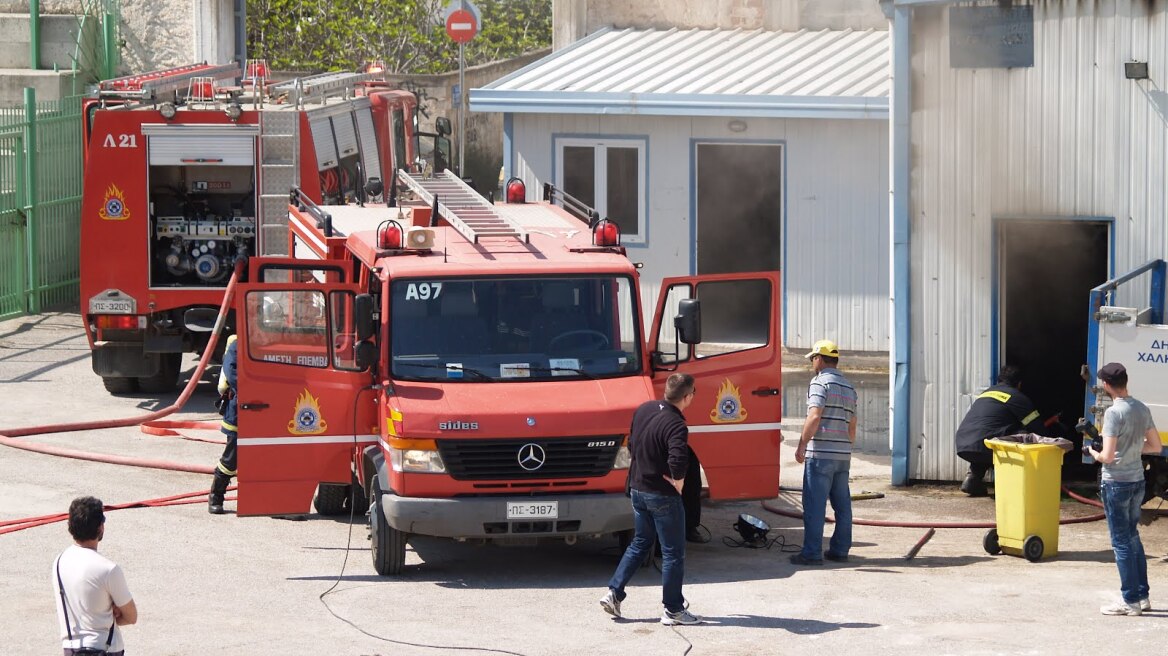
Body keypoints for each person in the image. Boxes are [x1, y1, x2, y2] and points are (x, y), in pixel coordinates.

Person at [600, 372, 702, 625]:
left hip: (637, 489)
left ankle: (614, 592)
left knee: (640, 543)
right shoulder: (677, 424)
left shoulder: (644, 409)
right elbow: (679, 458)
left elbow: (633, 444)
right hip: (661, 495)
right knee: (672, 553)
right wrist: (678, 480)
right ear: (687, 396)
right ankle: (673, 610)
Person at [1084, 362, 1161, 616]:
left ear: (1106, 385)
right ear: (1125, 381)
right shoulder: (1141, 408)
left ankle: (1130, 601)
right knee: (1132, 537)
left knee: (1121, 543)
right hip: (1137, 481)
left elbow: (1106, 456)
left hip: (1116, 483)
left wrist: (1093, 452)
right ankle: (1143, 596)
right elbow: (1156, 447)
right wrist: (1132, 451)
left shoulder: (1114, 413)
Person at [791, 339, 858, 566]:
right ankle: (840, 551)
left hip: (821, 455)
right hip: (842, 455)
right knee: (842, 506)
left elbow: (814, 416)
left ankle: (811, 554)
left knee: (814, 505)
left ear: (819, 359)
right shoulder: (849, 386)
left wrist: (802, 444)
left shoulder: (819, 382)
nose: (812, 363)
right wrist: (846, 448)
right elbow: (852, 425)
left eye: (813, 359)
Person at [53, 496, 137, 655]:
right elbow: (131, 616)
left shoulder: (58, 562)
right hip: (105, 649)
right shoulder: (109, 569)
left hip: (71, 649)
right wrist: (111, 613)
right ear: (101, 527)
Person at [954, 364, 1045, 497]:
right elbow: (1038, 429)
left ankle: (973, 479)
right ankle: (1015, 484)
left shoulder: (987, 393)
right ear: (1019, 384)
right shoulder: (1017, 397)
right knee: (1024, 436)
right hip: (985, 446)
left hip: (964, 444)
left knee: (987, 439)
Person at [209, 333, 238, 514]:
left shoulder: (271, 343)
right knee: (231, 458)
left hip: (270, 411)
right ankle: (216, 496)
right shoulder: (237, 346)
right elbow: (233, 373)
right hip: (240, 410)